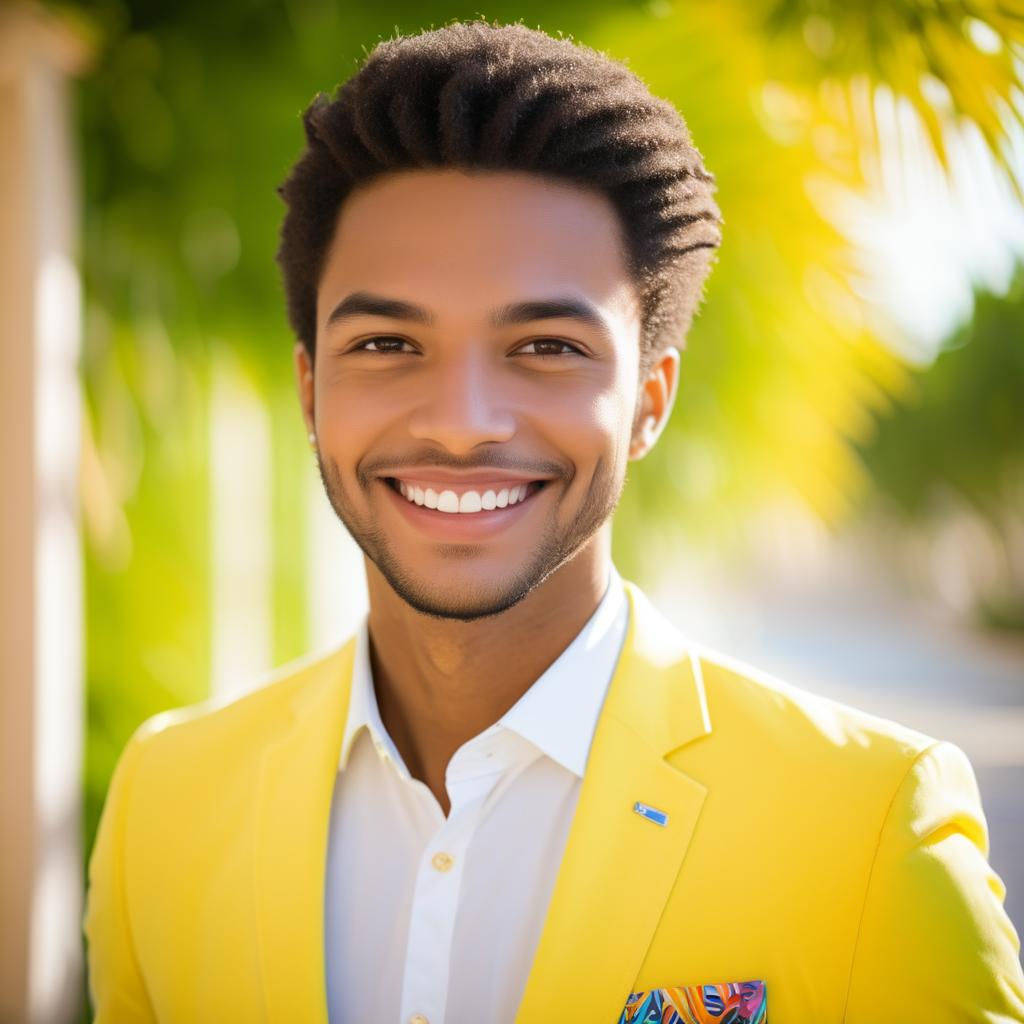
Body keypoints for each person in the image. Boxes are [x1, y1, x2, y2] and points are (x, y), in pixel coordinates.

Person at [83, 19, 1024, 1024]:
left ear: (650, 401)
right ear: (310, 388)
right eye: (389, 341)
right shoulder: (166, 801)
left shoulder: (868, 820)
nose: (458, 423)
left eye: (543, 346)